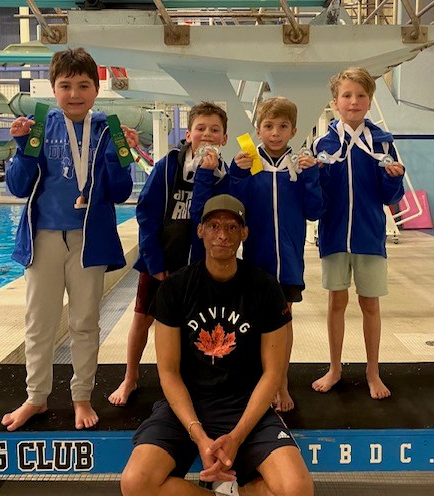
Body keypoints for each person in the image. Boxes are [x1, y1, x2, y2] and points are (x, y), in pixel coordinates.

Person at [121, 195, 314, 496]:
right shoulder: (176, 288)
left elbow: (273, 373)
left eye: (231, 227)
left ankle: (239, 490)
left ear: (243, 234)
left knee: (297, 489)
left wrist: (236, 436)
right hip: (188, 404)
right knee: (135, 483)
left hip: (245, 404)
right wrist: (198, 434)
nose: (222, 235)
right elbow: (169, 372)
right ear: (200, 231)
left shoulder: (265, 289)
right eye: (213, 226)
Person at [2, 47, 138, 431]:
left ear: (97, 89)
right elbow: (17, 187)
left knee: (85, 321)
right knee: (39, 322)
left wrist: (118, 154)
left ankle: (81, 396)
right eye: (66, 86)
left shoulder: (107, 129)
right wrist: (22, 150)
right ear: (53, 89)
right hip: (44, 237)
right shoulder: (41, 127)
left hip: (88, 240)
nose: (74, 94)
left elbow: (120, 191)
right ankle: (36, 397)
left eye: (83, 85)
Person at [109, 102, 229, 407]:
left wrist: (205, 175)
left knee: (196, 326)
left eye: (214, 130)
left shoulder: (222, 176)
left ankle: (189, 380)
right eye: (200, 128)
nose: (207, 134)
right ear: (188, 134)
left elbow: (204, 220)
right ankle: (130, 376)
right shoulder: (166, 167)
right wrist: (153, 260)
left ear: (224, 138)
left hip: (198, 268)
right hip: (160, 261)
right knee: (142, 319)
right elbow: (146, 213)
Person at [311, 67, 405, 400]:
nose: (354, 101)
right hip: (335, 236)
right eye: (347, 96)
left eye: (361, 95)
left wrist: (394, 179)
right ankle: (335, 367)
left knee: (370, 304)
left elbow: (390, 198)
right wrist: (314, 176)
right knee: (336, 301)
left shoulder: (382, 142)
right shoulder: (323, 144)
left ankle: (372, 372)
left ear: (370, 100)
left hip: (369, 236)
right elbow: (317, 198)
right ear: (335, 102)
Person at [230, 97, 324, 412]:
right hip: (257, 262)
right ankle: (259, 382)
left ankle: (281, 382)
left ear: (293, 130)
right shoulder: (249, 163)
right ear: (258, 129)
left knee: (283, 324)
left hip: (290, 263)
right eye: (269, 126)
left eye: (283, 126)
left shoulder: (297, 167)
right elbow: (237, 209)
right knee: (255, 325)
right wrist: (238, 175)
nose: (275, 132)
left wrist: (312, 178)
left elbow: (314, 212)